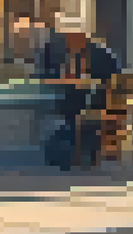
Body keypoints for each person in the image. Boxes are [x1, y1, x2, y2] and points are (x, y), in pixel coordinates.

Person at [39, 15, 120, 169]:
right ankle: (78, 149)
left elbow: (111, 78)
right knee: (70, 108)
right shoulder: (58, 52)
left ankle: (80, 150)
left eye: (72, 37)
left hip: (98, 100)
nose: (68, 41)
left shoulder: (99, 53)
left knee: (75, 109)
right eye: (66, 38)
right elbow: (46, 73)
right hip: (76, 96)